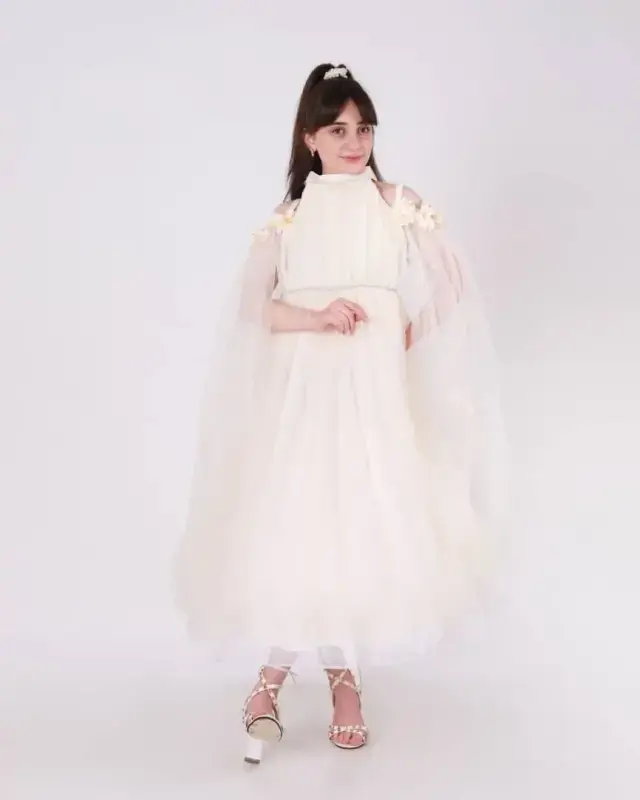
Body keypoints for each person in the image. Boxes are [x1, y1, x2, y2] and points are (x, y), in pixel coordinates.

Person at [172, 62, 507, 764]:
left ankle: (306, 682)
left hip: (372, 393)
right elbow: (254, 309)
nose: (354, 143)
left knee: (355, 525)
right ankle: (307, 682)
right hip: (304, 393)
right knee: (304, 522)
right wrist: (317, 316)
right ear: (310, 138)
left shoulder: (396, 204)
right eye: (338, 130)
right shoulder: (290, 219)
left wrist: (405, 334)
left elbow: (452, 282)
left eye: (364, 129)